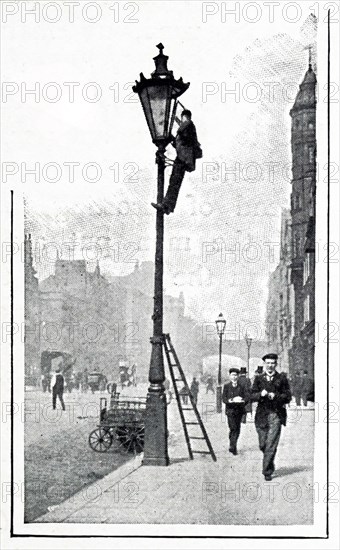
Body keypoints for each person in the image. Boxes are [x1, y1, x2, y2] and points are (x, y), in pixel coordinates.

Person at [151, 110, 202, 215]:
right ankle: (168, 207)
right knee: (175, 182)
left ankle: (166, 205)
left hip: (183, 159)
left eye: (182, 117)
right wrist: (171, 137)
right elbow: (180, 143)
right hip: (183, 158)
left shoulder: (188, 124)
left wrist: (174, 121)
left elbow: (184, 136)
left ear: (184, 116)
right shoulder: (187, 127)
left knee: (174, 182)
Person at [251, 353, 291, 481]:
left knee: (271, 444)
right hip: (261, 415)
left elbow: (288, 396)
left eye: (272, 363)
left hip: (276, 414)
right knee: (263, 444)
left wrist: (277, 396)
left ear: (276, 364)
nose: (270, 365)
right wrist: (259, 394)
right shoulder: (258, 379)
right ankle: (270, 461)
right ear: (264, 364)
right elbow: (251, 396)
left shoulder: (282, 379)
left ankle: (267, 471)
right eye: (267, 363)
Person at [222, 368, 250, 455]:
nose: (234, 377)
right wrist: (230, 400)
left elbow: (247, 397)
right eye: (232, 375)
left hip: (239, 411)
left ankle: (233, 444)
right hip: (230, 411)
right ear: (229, 376)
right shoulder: (226, 386)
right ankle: (232, 446)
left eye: (236, 375)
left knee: (237, 429)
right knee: (233, 428)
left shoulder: (241, 387)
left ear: (238, 376)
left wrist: (243, 400)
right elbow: (224, 398)